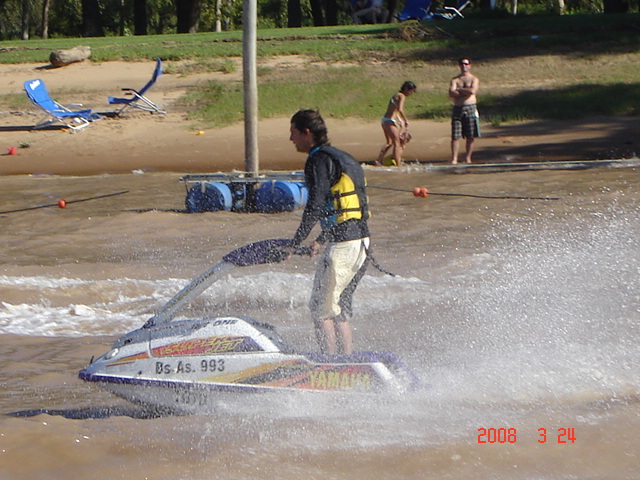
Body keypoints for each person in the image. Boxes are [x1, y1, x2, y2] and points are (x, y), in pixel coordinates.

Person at [288, 109, 371, 355]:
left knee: (320, 309)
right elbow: (348, 211)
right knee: (339, 307)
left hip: (344, 246)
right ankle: (346, 362)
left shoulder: (318, 159)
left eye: (293, 133)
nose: (291, 139)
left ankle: (330, 364)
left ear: (307, 133)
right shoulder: (343, 157)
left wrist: (296, 242)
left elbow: (315, 203)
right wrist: (321, 239)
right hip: (362, 243)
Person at [376, 81, 417, 166]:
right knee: (397, 143)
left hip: (385, 120)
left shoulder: (396, 95)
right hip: (389, 121)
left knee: (389, 142)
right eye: (411, 91)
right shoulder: (402, 96)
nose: (411, 93)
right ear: (406, 89)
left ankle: (378, 161)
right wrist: (406, 120)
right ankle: (398, 164)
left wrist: (400, 120)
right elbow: (401, 109)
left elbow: (395, 109)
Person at [449, 57, 480, 164]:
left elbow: (472, 91)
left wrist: (459, 90)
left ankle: (468, 158)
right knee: (455, 135)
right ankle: (454, 159)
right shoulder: (455, 80)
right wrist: (463, 92)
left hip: (470, 107)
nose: (464, 66)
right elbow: (451, 93)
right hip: (458, 108)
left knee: (470, 135)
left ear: (470, 65)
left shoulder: (474, 79)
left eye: (466, 64)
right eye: (462, 64)